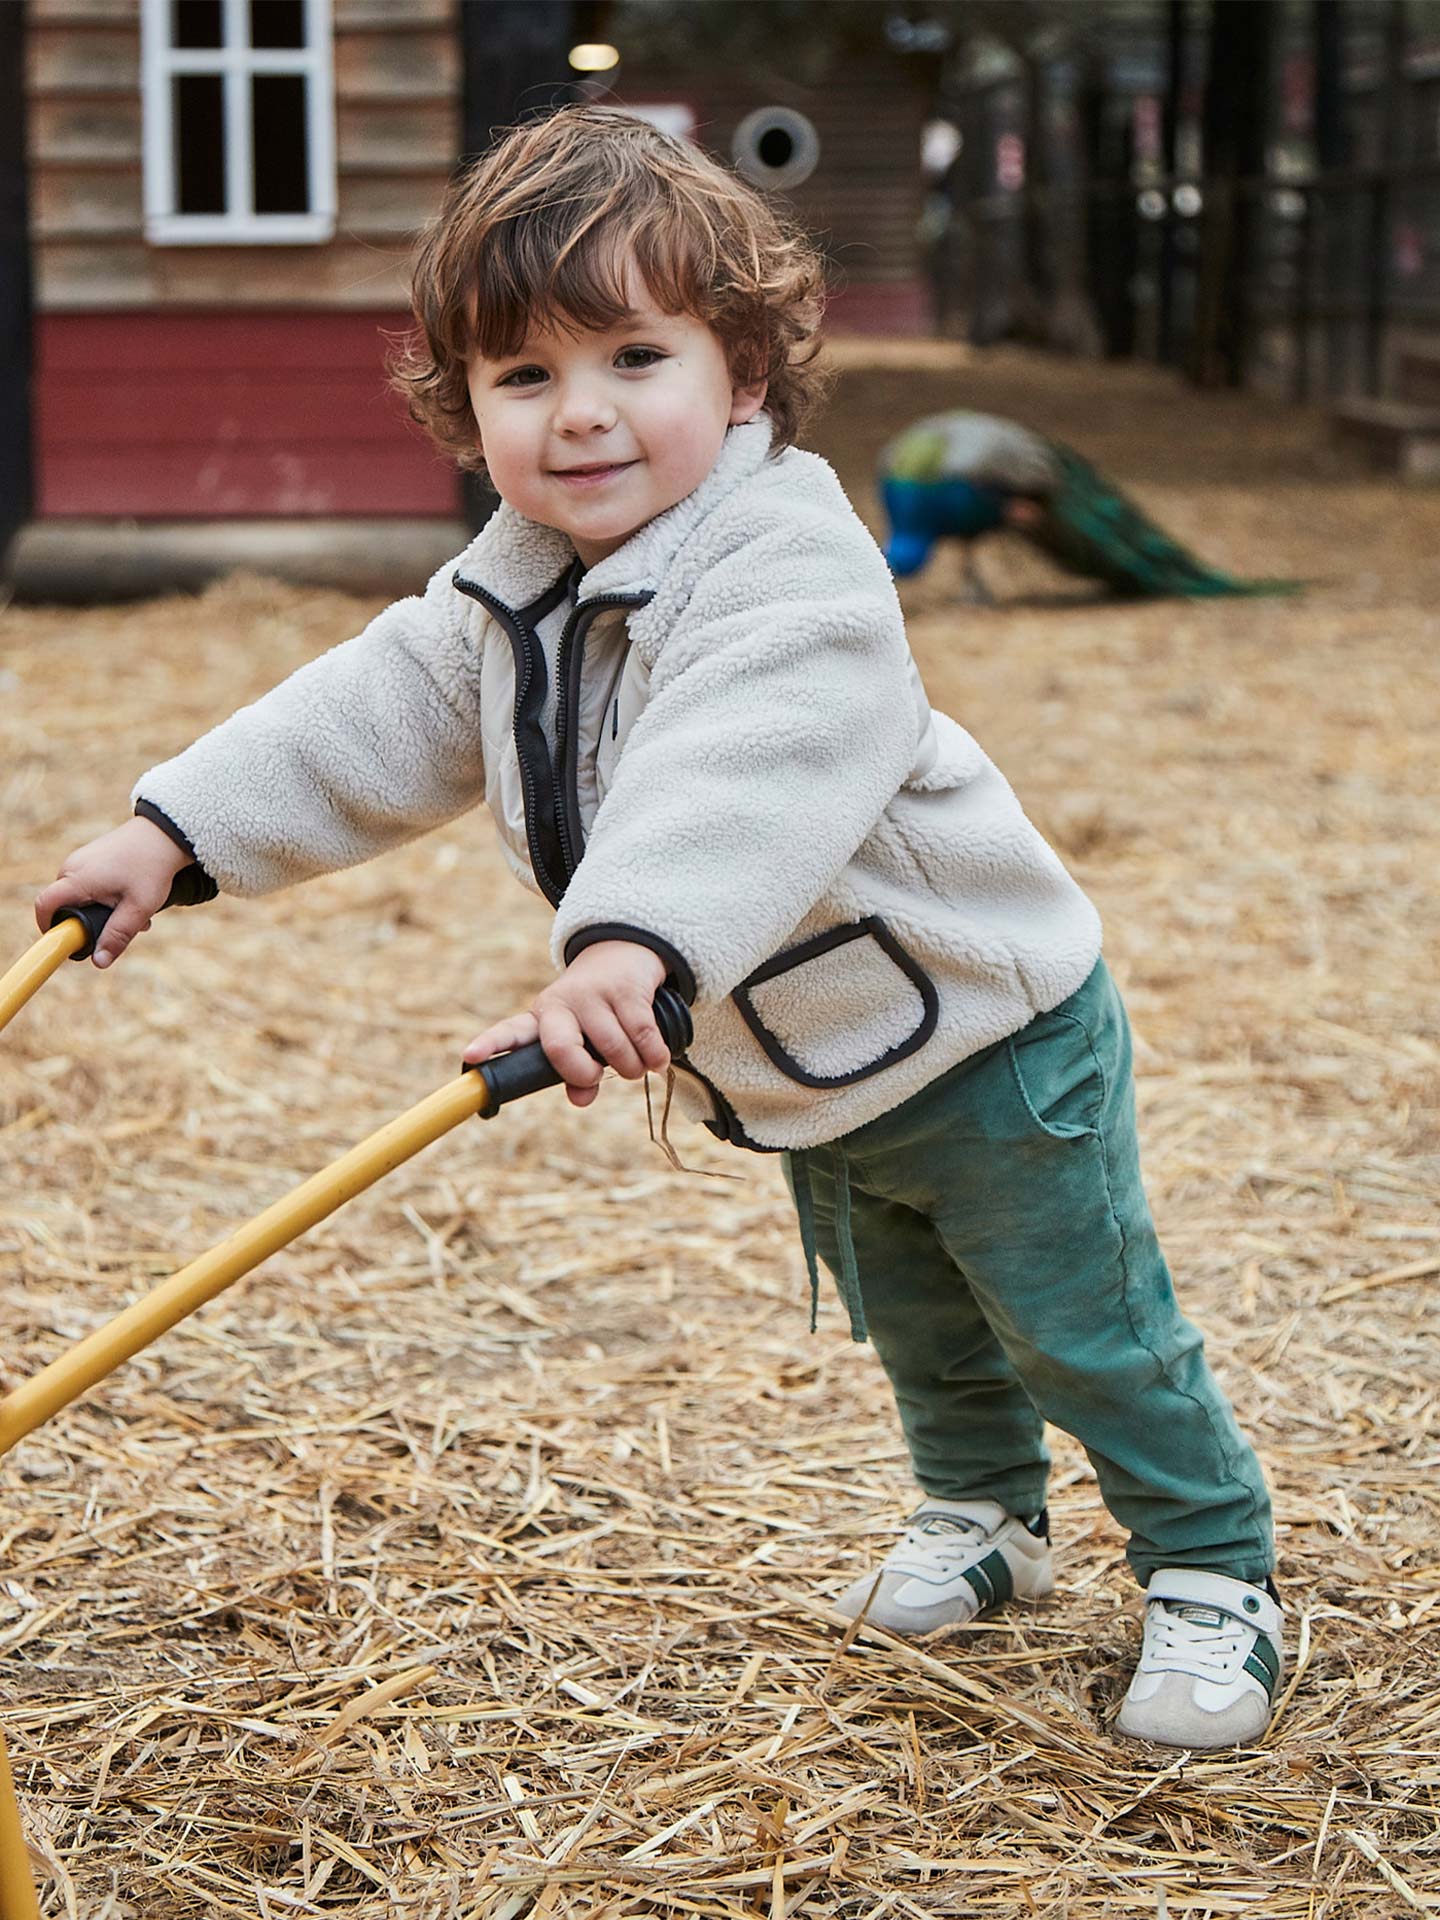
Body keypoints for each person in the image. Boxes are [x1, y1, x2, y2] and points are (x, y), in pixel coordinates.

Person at [35, 106, 1282, 1749]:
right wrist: (175, 830)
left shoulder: (793, 569)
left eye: (634, 356)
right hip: (812, 1059)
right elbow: (380, 708)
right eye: (525, 378)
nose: (583, 417)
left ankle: (1213, 1571)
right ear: (463, 404)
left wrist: (623, 944)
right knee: (914, 1314)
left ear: (745, 376)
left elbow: (741, 768)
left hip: (987, 1043)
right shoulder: (515, 576)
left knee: (1083, 1328)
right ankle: (987, 1516)